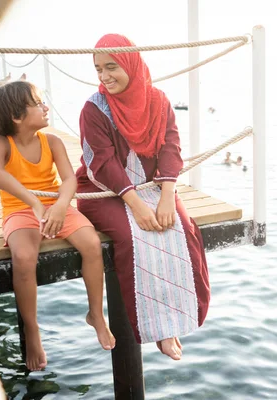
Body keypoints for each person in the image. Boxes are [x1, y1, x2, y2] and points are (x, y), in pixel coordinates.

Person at [76, 33, 210, 361]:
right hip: (103, 191)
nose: (105, 76)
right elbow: (103, 162)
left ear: (131, 64)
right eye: (98, 69)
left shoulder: (158, 101)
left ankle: (176, 320)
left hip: (153, 186)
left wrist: (167, 196)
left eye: (112, 67)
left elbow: (170, 147)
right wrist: (135, 206)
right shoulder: (94, 109)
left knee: (182, 227)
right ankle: (157, 328)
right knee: (132, 236)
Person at [0, 81, 115, 371]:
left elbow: (69, 180)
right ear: (17, 117)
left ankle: (96, 314)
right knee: (24, 256)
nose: (46, 107)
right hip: (20, 209)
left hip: (57, 207)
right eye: (38, 103)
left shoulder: (52, 141)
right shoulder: (1, 143)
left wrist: (58, 207)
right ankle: (32, 330)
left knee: (92, 244)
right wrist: (35, 204)